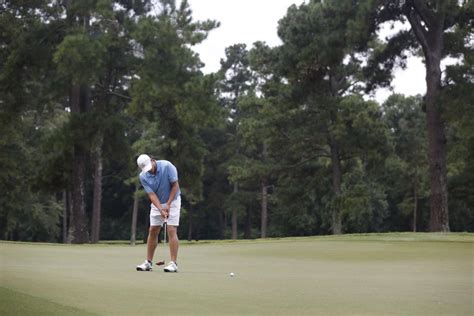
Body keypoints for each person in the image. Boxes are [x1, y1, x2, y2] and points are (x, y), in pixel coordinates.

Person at [135, 154, 181, 272]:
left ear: (153, 161)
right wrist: (161, 208)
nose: (150, 170)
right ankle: (148, 262)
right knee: (153, 230)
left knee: (171, 229)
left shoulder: (167, 166)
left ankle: (173, 263)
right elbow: (151, 194)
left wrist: (168, 205)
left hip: (173, 200)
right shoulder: (143, 176)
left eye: (150, 167)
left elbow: (175, 186)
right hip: (158, 203)